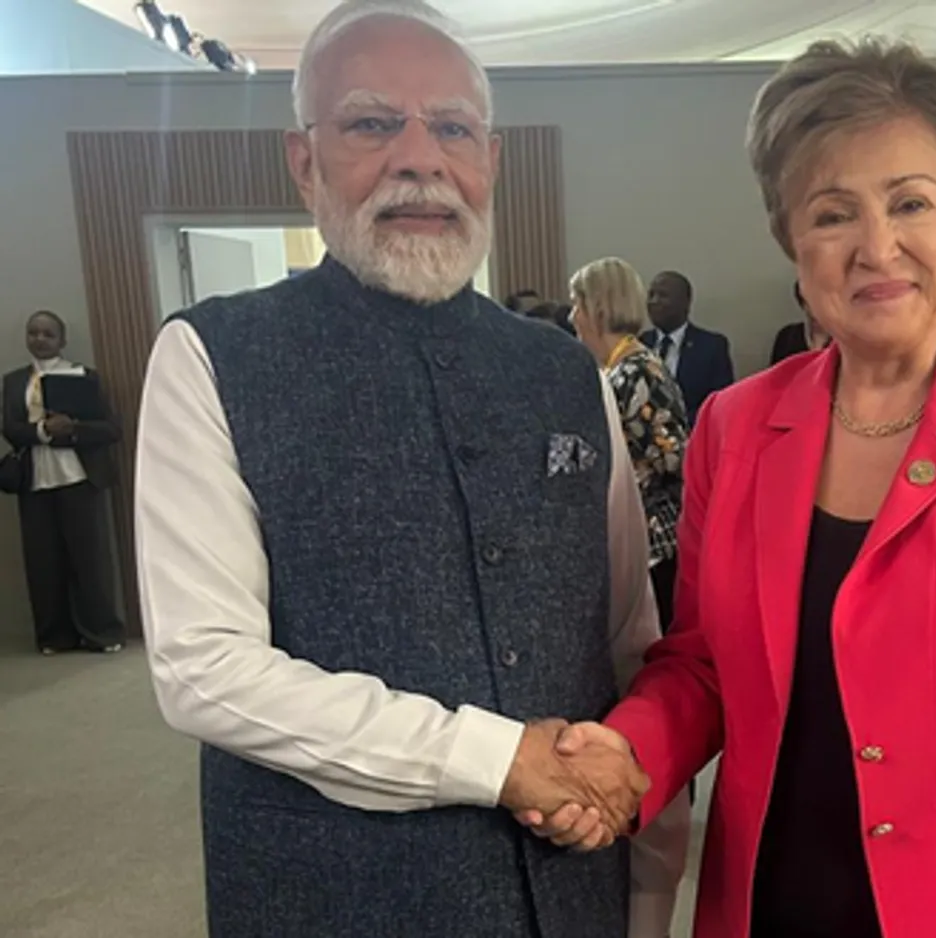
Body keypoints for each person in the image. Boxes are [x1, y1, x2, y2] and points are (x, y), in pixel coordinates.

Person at [524, 39, 936, 938]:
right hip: (772, 901)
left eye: (911, 201)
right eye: (834, 214)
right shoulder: (734, 424)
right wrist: (626, 752)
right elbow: (707, 664)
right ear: (791, 239)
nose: (878, 247)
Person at [133, 2, 684, 936]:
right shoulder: (211, 356)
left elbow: (625, 633)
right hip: (332, 896)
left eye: (454, 128)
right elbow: (205, 667)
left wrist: (646, 868)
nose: (420, 158)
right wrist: (494, 757)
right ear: (305, 162)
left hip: (568, 891)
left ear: (490, 161)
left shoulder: (562, 369)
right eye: (373, 122)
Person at [570, 257, 689, 633]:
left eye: (577, 304)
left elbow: (676, 461)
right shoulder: (617, 369)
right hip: (636, 543)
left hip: (655, 547)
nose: (572, 317)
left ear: (599, 307)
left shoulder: (637, 371)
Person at [2, 310, 124, 655]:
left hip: (79, 478)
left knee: (90, 560)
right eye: (33, 333)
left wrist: (72, 429)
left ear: (62, 340)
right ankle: (55, 636)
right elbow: (10, 428)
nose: (39, 339)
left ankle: (102, 633)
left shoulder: (84, 377)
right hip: (35, 481)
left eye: (48, 334)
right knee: (43, 561)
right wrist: (42, 431)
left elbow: (111, 429)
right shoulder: (13, 382)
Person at [641, 270, 734, 424]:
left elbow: (720, 402)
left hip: (692, 435)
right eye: (651, 295)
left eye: (663, 295)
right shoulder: (639, 344)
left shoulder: (711, 346)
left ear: (685, 302)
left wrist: (674, 425)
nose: (654, 301)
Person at [770, 281, 832, 364]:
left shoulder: (844, 340)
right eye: (806, 302)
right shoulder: (787, 337)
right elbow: (776, 375)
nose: (812, 309)